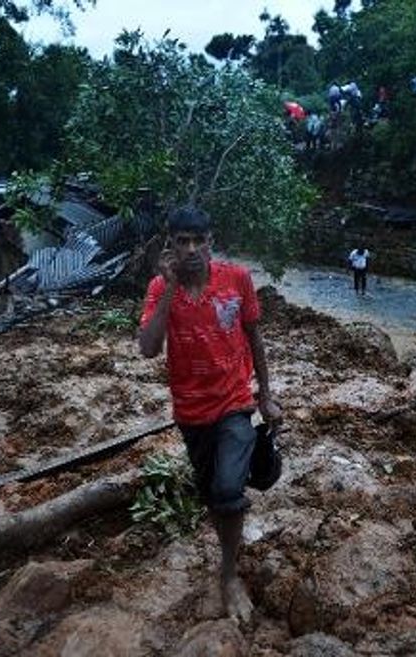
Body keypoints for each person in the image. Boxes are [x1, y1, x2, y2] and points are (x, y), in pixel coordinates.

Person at [138, 206, 282, 623]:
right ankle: (228, 544)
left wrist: (266, 396)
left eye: (198, 241)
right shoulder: (157, 288)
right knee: (213, 495)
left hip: (235, 401)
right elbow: (148, 348)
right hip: (190, 411)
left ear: (210, 242)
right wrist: (167, 288)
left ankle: (228, 574)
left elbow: (254, 336)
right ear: (171, 246)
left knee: (226, 491)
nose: (191, 249)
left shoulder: (237, 280)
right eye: (182, 242)